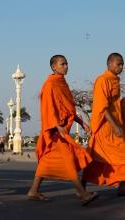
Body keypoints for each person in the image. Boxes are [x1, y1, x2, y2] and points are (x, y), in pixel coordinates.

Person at [28, 55, 99, 205]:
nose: (66, 66)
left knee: (46, 161)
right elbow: (48, 109)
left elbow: (68, 109)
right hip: (55, 130)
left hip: (62, 129)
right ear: (54, 67)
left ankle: (34, 190)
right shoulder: (49, 85)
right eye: (63, 64)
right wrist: (58, 127)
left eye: (67, 64)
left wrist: (82, 123)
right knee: (68, 160)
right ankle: (82, 192)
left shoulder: (62, 83)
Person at [81, 53, 125, 196]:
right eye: (118, 64)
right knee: (100, 158)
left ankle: (122, 186)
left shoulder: (115, 81)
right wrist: (114, 125)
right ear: (109, 64)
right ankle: (81, 187)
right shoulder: (103, 80)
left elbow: (116, 106)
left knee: (111, 158)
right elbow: (101, 106)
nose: (121, 67)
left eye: (122, 64)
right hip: (105, 127)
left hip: (116, 126)